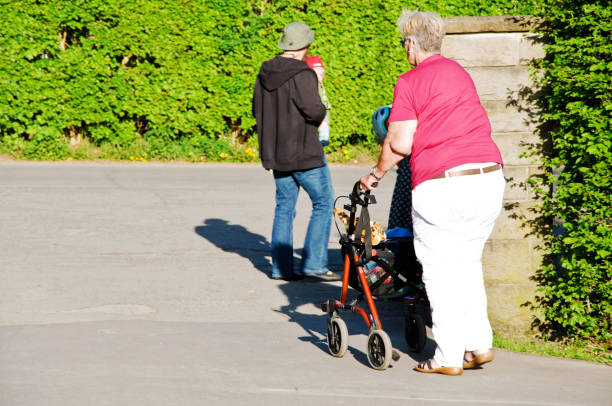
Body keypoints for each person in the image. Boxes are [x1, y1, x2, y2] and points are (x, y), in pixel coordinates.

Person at [360, 10, 505, 375]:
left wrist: (374, 175)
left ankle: (447, 357)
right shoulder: (459, 73)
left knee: (440, 270)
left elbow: (399, 142)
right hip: (488, 176)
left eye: (402, 42)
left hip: (444, 182)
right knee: (468, 263)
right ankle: (478, 345)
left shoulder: (410, 81)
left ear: (411, 43)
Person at [252, 22, 340, 282]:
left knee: (284, 207)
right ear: (306, 46)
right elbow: (315, 111)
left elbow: (256, 110)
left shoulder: (264, 71)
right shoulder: (304, 74)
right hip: (304, 153)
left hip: (277, 153)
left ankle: (281, 268)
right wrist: (318, 83)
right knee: (324, 203)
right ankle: (314, 263)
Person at [306, 56, 331, 146]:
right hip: (317, 111)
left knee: (324, 126)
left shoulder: (320, 84)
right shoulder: (310, 85)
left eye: (321, 73)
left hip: (323, 110)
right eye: (316, 73)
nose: (319, 76)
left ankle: (323, 139)